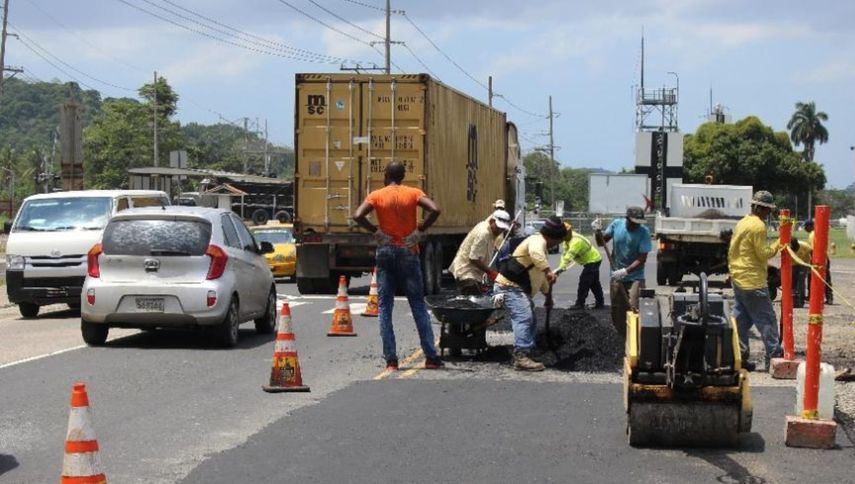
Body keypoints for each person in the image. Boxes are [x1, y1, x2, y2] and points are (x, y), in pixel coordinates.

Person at [352, 161, 443, 371]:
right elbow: (435, 209)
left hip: (385, 250)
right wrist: (419, 231)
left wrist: (376, 231)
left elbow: (357, 215)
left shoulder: (377, 195)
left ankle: (391, 361)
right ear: (403, 176)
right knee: (418, 304)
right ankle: (431, 356)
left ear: (386, 175)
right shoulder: (413, 193)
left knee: (385, 307)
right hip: (408, 250)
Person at [493, 216, 566, 372]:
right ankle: (521, 356)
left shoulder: (543, 248)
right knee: (524, 317)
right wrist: (548, 271)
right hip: (509, 286)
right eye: (558, 241)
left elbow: (542, 278)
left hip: (517, 289)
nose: (557, 245)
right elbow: (536, 255)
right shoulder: (537, 241)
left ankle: (527, 350)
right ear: (553, 237)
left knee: (531, 318)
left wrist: (548, 297)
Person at [727, 190, 787, 371]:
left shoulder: (743, 222)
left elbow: (733, 249)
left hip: (738, 278)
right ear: (761, 209)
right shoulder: (758, 226)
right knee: (767, 320)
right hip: (753, 281)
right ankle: (774, 358)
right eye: (768, 210)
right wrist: (781, 242)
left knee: (740, 321)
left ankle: (739, 357)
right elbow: (763, 254)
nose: (769, 214)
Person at [594, 206, 652, 338]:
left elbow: (642, 259)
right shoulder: (616, 225)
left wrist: (625, 271)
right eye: (634, 222)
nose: (637, 225)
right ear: (627, 219)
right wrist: (597, 231)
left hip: (636, 277)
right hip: (616, 275)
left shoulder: (644, 232)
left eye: (639, 223)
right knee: (617, 310)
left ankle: (636, 337)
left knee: (634, 307)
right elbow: (601, 242)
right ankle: (621, 337)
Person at [449, 209, 511, 295]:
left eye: (503, 229)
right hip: (467, 273)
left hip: (474, 274)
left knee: (477, 298)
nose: (500, 231)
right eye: (498, 228)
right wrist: (491, 273)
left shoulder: (489, 228)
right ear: (492, 221)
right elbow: (473, 258)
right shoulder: (484, 233)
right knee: (473, 300)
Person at [556, 222, 604, 310]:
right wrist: (561, 267)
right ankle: (600, 302)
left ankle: (580, 304)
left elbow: (569, 257)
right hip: (591, 260)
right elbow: (564, 254)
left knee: (584, 281)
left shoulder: (576, 241)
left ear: (569, 232)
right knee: (594, 283)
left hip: (593, 260)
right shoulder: (566, 240)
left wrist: (560, 269)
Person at [804, 220, 833, 305]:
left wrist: (810, 261)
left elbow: (812, 249)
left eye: (806, 226)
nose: (805, 228)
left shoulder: (813, 234)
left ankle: (827, 297)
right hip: (822, 257)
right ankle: (828, 297)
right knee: (824, 278)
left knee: (820, 278)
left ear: (810, 226)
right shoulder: (816, 233)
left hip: (817, 258)